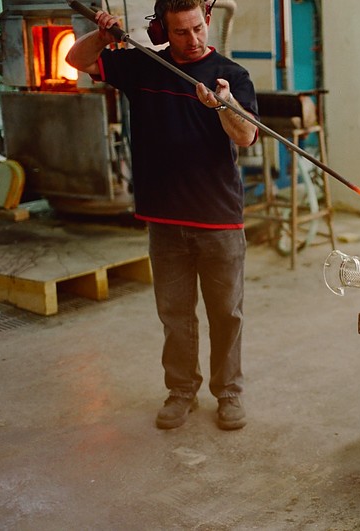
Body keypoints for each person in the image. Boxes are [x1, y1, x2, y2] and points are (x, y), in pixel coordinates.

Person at [66, 0, 258, 431]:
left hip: (218, 219)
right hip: (165, 221)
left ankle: (228, 393)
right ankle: (181, 390)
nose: (192, 41)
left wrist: (223, 105)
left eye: (197, 29)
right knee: (175, 314)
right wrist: (102, 33)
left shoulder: (233, 77)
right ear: (163, 31)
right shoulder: (144, 67)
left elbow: (246, 137)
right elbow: (75, 60)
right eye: (181, 33)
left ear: (207, 20)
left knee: (226, 314)